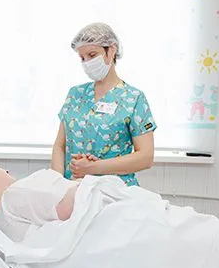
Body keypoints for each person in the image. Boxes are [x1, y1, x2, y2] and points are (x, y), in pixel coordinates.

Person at [52, 22, 156, 187]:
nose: (87, 62)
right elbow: (60, 146)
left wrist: (93, 168)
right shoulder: (75, 94)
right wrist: (57, 185)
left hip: (115, 192)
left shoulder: (134, 98)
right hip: (73, 189)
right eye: (82, 58)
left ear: (112, 50)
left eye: (92, 55)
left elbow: (145, 157)